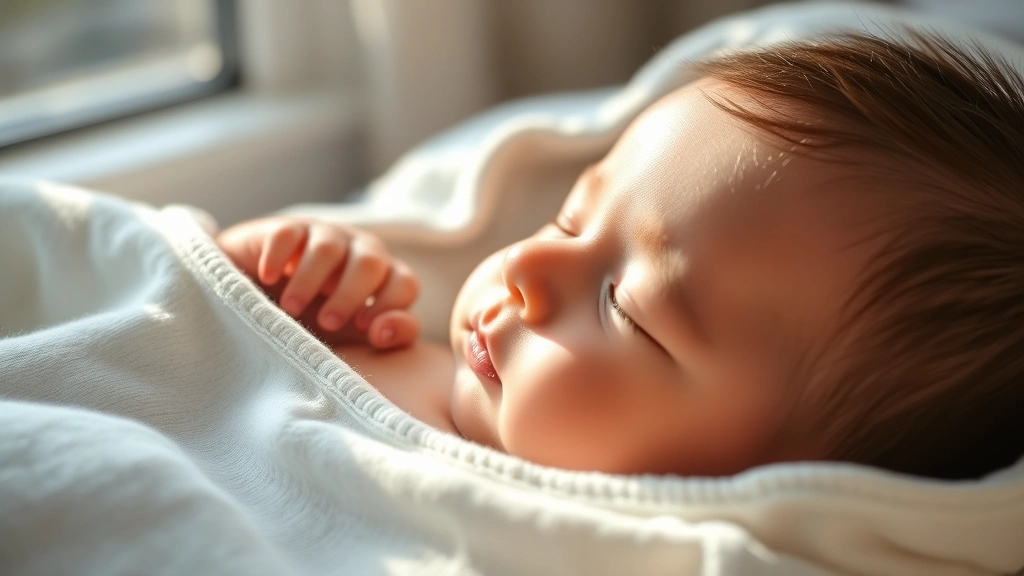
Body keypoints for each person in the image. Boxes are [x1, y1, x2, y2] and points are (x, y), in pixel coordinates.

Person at [216, 30, 1024, 480]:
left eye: (625, 310)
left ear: (783, 475)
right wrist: (268, 272)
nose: (527, 270)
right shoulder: (379, 337)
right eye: (570, 219)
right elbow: (184, 323)